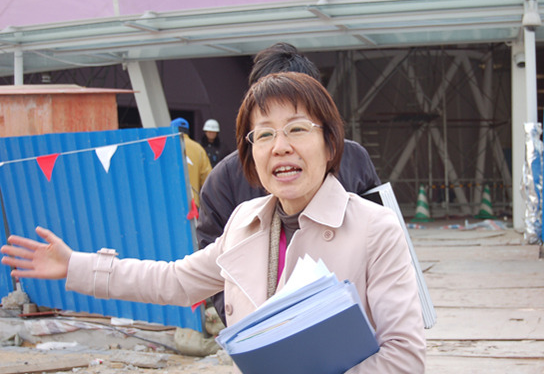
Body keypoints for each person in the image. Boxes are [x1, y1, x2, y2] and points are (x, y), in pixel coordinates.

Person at [2, 72, 426, 373]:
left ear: (330, 142)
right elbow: (174, 281)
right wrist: (75, 265)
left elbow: (404, 357)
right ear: (250, 152)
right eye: (263, 135)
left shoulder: (374, 228)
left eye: (297, 129)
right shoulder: (246, 222)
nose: (280, 147)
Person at [197, 43, 381, 325]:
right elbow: (214, 274)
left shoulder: (353, 157)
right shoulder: (223, 180)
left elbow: (378, 247)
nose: (282, 147)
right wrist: (249, 329)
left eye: (296, 122)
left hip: (347, 324)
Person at [171, 117, 212, 208]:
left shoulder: (165, 148)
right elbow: (208, 179)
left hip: (169, 202)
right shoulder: (198, 149)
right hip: (192, 203)